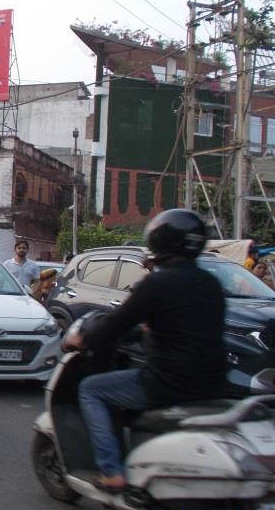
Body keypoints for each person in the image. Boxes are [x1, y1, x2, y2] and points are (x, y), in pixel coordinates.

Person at [63, 208, 227, 491]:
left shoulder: (157, 283)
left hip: (169, 382)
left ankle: (111, 470)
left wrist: (83, 340)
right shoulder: (211, 283)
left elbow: (116, 324)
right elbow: (181, 324)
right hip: (214, 384)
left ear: (160, 243)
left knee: (91, 389)